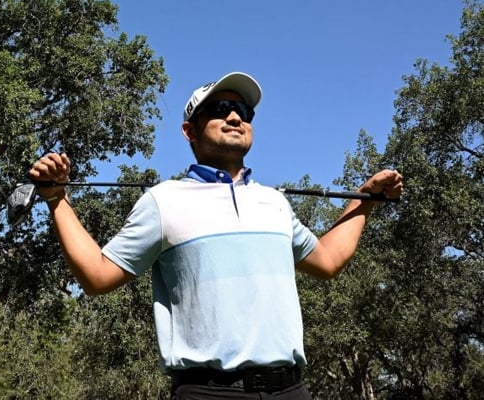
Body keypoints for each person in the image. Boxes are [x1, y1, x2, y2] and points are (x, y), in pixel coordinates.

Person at [28, 71, 403, 399]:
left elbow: (328, 260)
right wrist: (56, 199)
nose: (235, 116)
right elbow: (96, 276)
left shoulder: (273, 203)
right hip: (207, 392)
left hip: (291, 390)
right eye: (219, 108)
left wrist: (364, 200)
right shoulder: (162, 201)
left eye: (244, 112)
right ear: (189, 130)